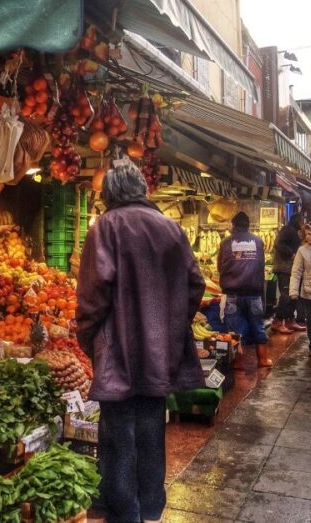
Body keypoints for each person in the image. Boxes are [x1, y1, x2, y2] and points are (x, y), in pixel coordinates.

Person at [77, 162, 205, 523]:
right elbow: (195, 283)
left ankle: (124, 513)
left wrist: (90, 338)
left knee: (118, 437)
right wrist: (173, 323)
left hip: (118, 352)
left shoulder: (107, 226)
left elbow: (92, 295)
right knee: (151, 431)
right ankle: (151, 509)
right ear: (142, 189)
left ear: (110, 193)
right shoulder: (171, 228)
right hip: (159, 352)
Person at [217, 211, 273, 368]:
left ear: (233, 226)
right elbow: (261, 266)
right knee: (257, 326)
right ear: (248, 225)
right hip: (254, 293)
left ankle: (239, 362)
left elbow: (220, 267)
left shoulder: (225, 242)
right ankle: (262, 360)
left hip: (231, 292)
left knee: (235, 329)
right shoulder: (258, 241)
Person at [290, 224, 311, 357]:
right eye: (306, 234)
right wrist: (293, 290)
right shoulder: (302, 250)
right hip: (309, 291)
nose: (307, 237)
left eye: (310, 234)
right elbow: (296, 272)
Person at [272, 213, 306, 334]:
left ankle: (290, 320)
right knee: (286, 295)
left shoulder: (295, 231)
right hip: (284, 268)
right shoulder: (287, 230)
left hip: (292, 269)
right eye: (302, 221)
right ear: (298, 220)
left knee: (293, 295)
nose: (303, 224)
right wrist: (291, 254)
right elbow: (279, 244)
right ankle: (277, 321)